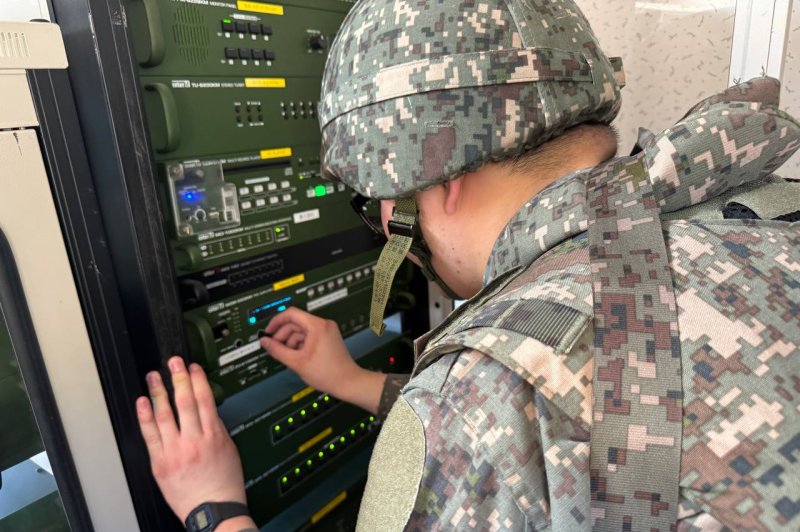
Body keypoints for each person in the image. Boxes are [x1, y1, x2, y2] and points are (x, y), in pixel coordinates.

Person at [136, 1, 800, 530]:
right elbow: (557, 440)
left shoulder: (478, 397)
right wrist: (355, 382)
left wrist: (214, 508)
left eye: (385, 208)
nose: (394, 225)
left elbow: (502, 427)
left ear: (438, 176)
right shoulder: (756, 211)